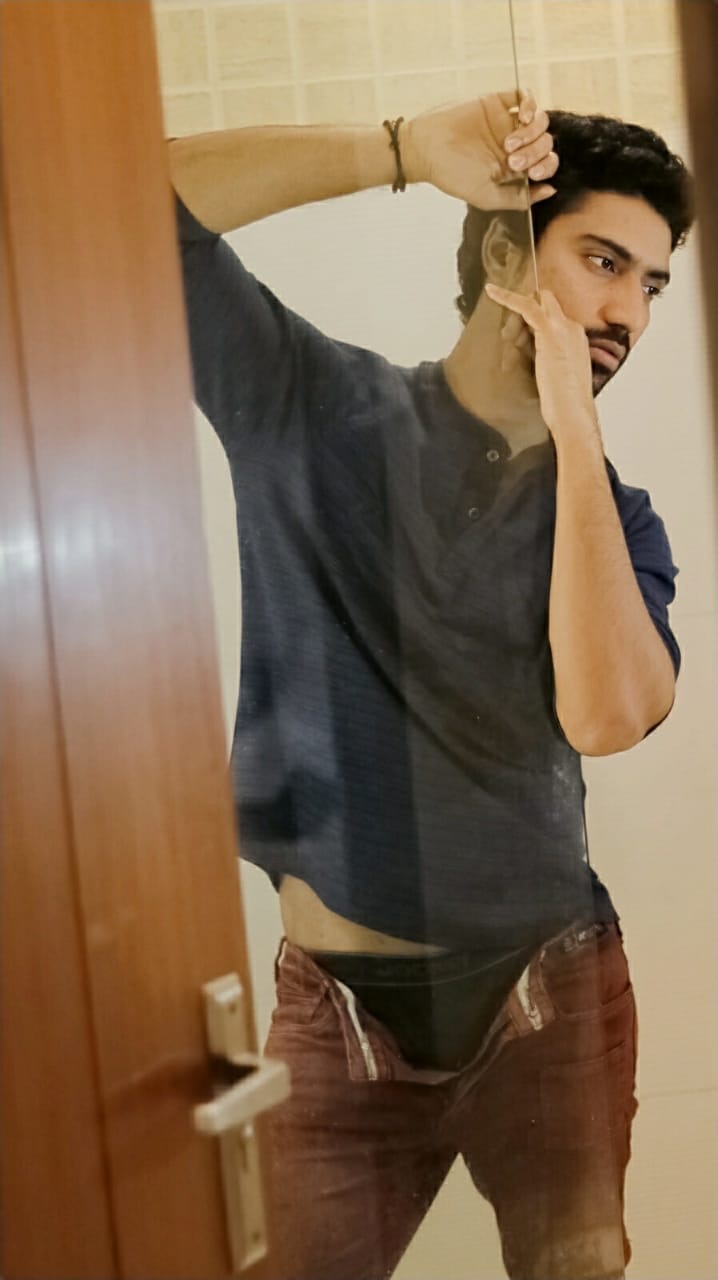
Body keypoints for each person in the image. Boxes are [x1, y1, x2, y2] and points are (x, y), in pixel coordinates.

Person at [168, 91, 693, 1280]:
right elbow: (127, 212)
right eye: (602, 261)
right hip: (337, 1012)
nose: (625, 312)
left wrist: (571, 430)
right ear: (503, 253)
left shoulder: (618, 519)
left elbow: (606, 713)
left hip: (552, 997)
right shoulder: (313, 410)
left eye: (650, 285)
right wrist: (398, 150)